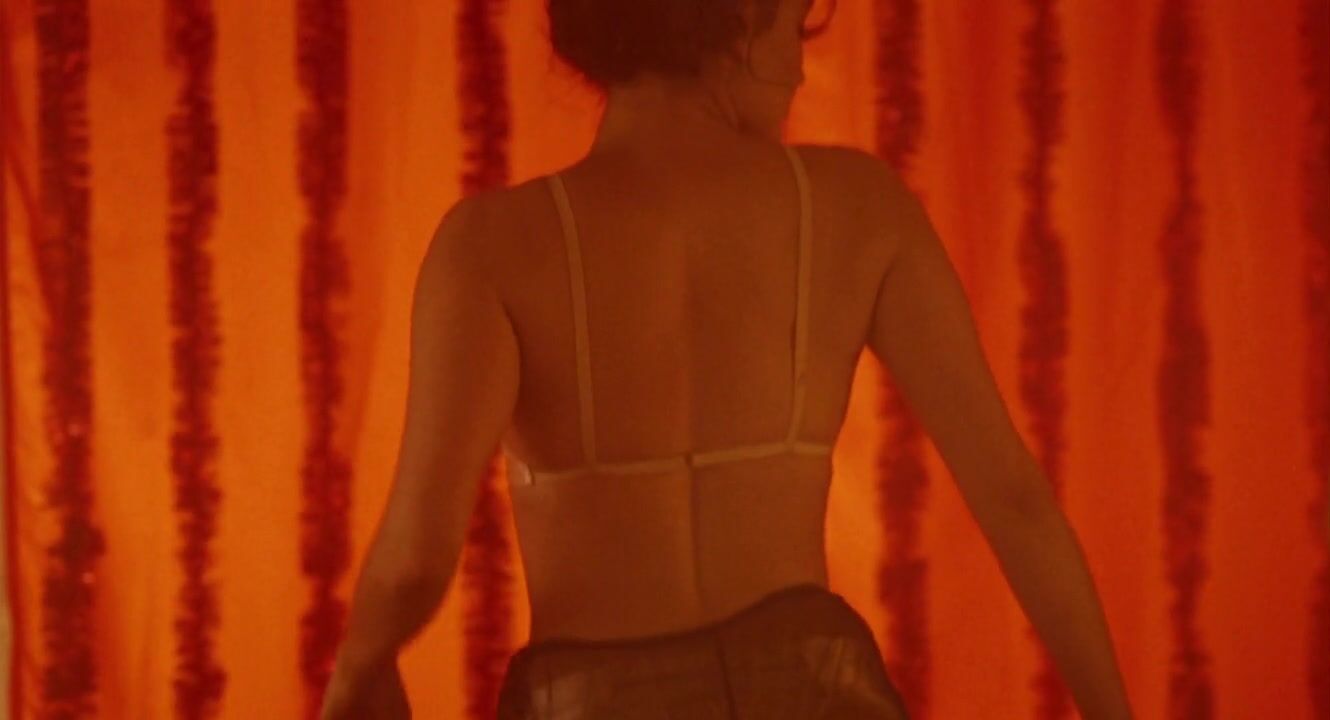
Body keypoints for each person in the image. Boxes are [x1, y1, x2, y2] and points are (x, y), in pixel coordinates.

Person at [321, 0, 1135, 718]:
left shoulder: (492, 246)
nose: (798, 71)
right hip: (816, 692)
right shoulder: (858, 208)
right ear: (740, 18)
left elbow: (416, 559)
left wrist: (358, 670)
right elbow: (1016, 503)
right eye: (794, 27)